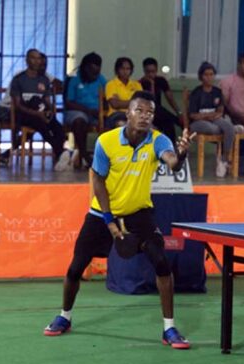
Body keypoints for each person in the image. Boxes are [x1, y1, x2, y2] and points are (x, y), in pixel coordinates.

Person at [43, 90, 195, 349]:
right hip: (100, 214)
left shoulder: (158, 140)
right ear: (128, 113)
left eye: (150, 113)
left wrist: (180, 155)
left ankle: (169, 328)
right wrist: (109, 220)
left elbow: (173, 164)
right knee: (75, 267)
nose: (145, 117)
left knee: (161, 263)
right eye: (140, 111)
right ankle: (64, 316)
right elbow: (98, 181)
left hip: (139, 213)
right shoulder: (107, 141)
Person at [10, 48, 69, 171]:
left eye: (38, 58)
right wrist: (37, 113)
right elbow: (18, 105)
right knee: (40, 124)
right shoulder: (18, 79)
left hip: (41, 112)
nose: (37, 61)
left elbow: (47, 101)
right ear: (27, 60)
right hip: (25, 114)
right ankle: (62, 152)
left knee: (57, 127)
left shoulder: (44, 80)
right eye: (33, 58)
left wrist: (48, 112)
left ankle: (62, 154)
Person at [188, 62, 236, 178]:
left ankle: (223, 160)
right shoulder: (196, 92)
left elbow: (220, 110)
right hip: (198, 122)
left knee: (228, 127)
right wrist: (207, 116)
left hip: (214, 118)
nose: (209, 77)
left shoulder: (217, 92)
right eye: (206, 75)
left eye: (211, 74)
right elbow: (193, 115)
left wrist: (216, 114)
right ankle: (234, 131)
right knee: (214, 129)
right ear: (201, 77)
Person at [64, 52, 106, 168]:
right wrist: (87, 110)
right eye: (92, 72)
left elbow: (107, 97)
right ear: (85, 68)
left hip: (96, 113)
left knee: (112, 124)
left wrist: (103, 112)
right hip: (77, 111)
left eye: (97, 72)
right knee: (79, 121)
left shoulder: (101, 79)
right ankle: (85, 155)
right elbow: (68, 102)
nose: (95, 75)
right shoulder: (74, 78)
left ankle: (105, 159)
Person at [139, 57, 183, 144]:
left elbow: (170, 98)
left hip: (159, 111)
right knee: (166, 118)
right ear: (144, 71)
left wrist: (179, 112)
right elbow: (151, 100)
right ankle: (171, 145)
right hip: (148, 111)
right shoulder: (140, 83)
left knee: (171, 122)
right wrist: (151, 84)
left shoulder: (161, 80)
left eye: (153, 71)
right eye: (148, 72)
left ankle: (174, 146)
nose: (151, 74)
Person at [105, 57, 142, 129]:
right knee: (124, 125)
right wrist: (134, 102)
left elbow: (141, 104)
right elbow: (115, 105)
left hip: (134, 115)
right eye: (122, 69)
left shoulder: (137, 85)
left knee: (151, 128)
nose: (125, 71)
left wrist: (121, 102)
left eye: (128, 69)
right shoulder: (111, 84)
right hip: (116, 116)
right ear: (117, 70)